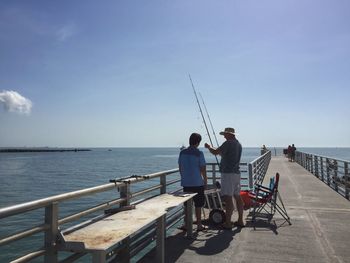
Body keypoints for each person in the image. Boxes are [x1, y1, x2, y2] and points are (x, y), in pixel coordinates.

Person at [204, 127, 244, 229]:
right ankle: (240, 220)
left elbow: (215, 152)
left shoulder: (228, 143)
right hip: (236, 173)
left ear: (230, 134)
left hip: (228, 174)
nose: (224, 136)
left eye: (225, 134)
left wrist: (209, 147)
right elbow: (225, 154)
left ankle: (228, 223)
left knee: (228, 197)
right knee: (237, 197)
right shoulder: (238, 144)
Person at [178, 133, 208, 231]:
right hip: (197, 183)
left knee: (187, 206)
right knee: (198, 205)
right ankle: (199, 225)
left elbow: (180, 167)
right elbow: (203, 168)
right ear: (198, 142)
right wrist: (205, 181)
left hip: (186, 183)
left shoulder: (182, 153)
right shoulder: (199, 153)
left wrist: (184, 177)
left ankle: (187, 224)